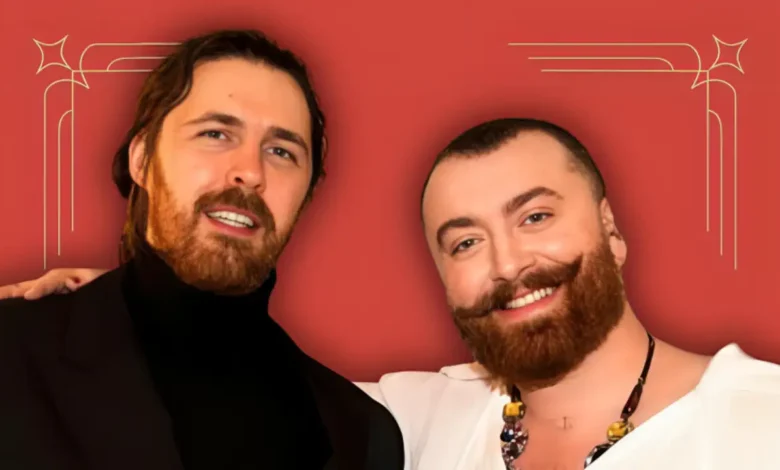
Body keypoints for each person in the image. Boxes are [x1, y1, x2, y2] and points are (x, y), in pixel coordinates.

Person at [6, 118, 780, 469]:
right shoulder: (410, 421)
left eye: (536, 217)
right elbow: (223, 373)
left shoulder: (762, 421)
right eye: (465, 242)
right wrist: (123, 305)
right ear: (443, 278)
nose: (509, 265)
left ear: (610, 228)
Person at [0, 29, 404, 470]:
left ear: (306, 194)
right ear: (142, 159)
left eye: (281, 151)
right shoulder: (13, 350)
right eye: (215, 133)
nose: (250, 172)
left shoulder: (362, 433)